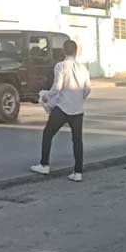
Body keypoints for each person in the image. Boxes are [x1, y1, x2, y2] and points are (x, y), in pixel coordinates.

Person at [31, 40, 92, 182]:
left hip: (63, 108)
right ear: (76, 51)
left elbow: (57, 87)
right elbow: (87, 90)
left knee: (48, 134)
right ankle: (78, 172)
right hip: (78, 110)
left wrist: (46, 95)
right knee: (77, 140)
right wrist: (77, 97)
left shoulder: (60, 66)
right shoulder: (83, 68)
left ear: (63, 51)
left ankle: (44, 164)